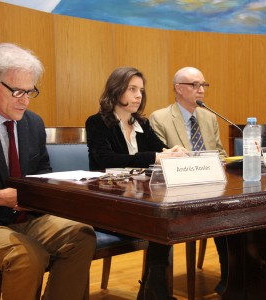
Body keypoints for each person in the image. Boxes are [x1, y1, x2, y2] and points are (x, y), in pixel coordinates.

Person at [0, 43, 96, 300]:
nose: (25, 100)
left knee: (82, 235)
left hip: (28, 217)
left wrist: (47, 192)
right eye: (18, 91)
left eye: (30, 91)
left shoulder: (33, 123)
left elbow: (42, 170)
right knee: (28, 257)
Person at [85, 66, 187, 299]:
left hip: (140, 202)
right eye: (132, 89)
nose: (139, 95)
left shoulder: (142, 124)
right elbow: (106, 160)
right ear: (116, 89)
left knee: (163, 223)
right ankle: (155, 293)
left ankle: (154, 292)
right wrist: (156, 156)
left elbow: (160, 149)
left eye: (141, 90)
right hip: (109, 202)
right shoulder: (97, 123)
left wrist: (173, 151)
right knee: (160, 224)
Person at [149, 66, 229, 294]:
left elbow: (221, 153)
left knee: (231, 213)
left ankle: (230, 278)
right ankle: (158, 289)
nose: (201, 90)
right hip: (178, 191)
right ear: (178, 88)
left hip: (212, 187)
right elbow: (162, 159)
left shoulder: (209, 117)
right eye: (195, 85)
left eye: (204, 85)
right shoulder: (160, 118)